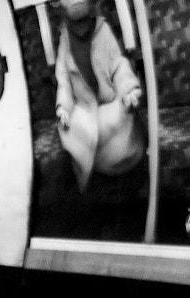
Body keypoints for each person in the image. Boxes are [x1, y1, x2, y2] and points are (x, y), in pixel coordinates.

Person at [54, 0, 145, 193]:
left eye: (85, 20)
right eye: (76, 22)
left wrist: (129, 91)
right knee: (77, 129)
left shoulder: (103, 31)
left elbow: (118, 66)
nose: (81, 28)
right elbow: (64, 82)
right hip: (82, 107)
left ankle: (122, 180)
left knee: (114, 122)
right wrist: (63, 108)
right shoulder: (64, 41)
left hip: (109, 100)